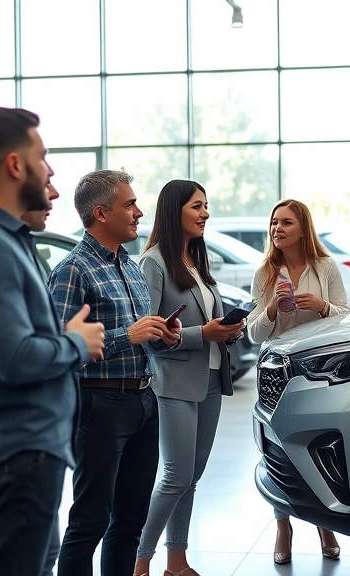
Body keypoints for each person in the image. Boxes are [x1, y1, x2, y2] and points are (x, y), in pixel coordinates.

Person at [0, 107, 105, 576]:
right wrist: (75, 343)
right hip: (16, 449)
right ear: (15, 165)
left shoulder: (4, 238)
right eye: (43, 157)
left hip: (26, 447)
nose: (50, 171)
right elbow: (14, 357)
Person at [52, 169, 176, 576]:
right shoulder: (74, 270)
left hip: (143, 400)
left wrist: (161, 335)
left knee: (129, 523)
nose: (140, 213)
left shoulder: (130, 264)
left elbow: (139, 334)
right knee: (90, 520)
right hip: (100, 404)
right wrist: (129, 334)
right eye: (130, 205)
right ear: (101, 213)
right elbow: (60, 350)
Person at [134, 180, 244, 576]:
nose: (205, 213)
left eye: (206, 206)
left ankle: (176, 562)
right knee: (176, 477)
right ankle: (140, 560)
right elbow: (148, 335)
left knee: (191, 478)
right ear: (174, 210)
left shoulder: (196, 260)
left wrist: (228, 328)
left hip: (211, 380)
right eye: (197, 206)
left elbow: (204, 318)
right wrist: (204, 334)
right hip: (175, 383)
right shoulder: (154, 262)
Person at [246, 198, 349, 565]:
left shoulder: (326, 266)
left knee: (318, 447)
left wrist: (321, 307)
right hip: (276, 373)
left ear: (302, 228)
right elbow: (253, 333)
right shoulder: (265, 273)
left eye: (286, 223)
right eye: (274, 223)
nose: (277, 229)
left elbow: (345, 317)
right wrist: (272, 307)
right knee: (277, 450)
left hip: (319, 371)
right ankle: (282, 525)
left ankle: (326, 525)